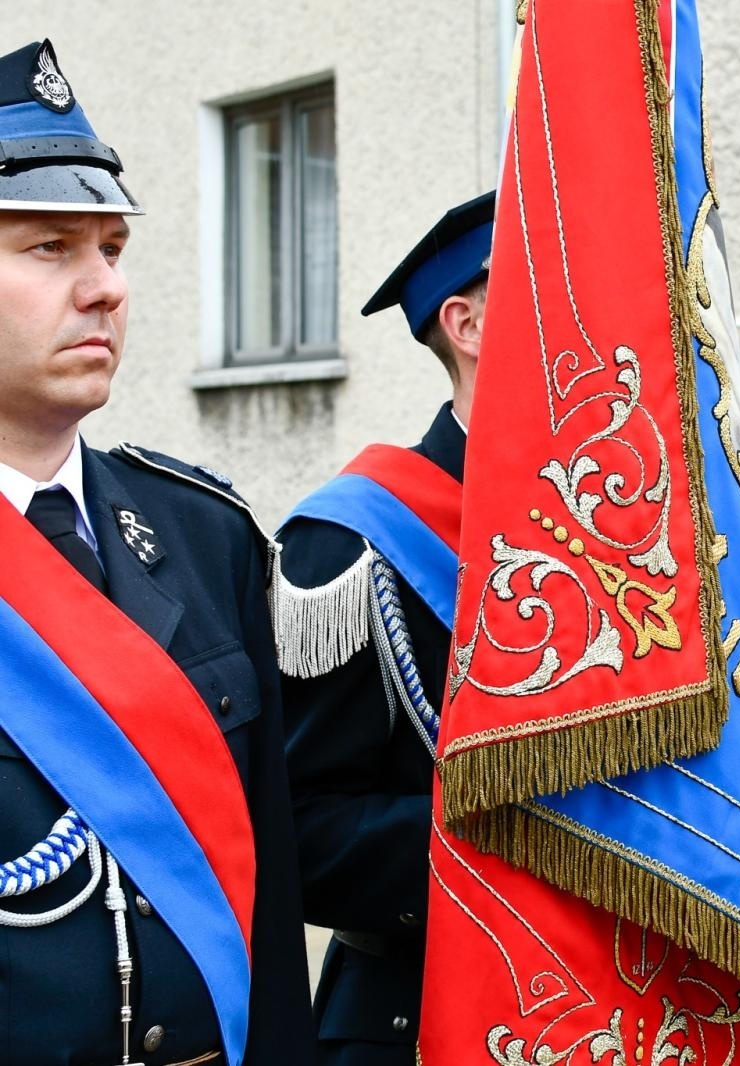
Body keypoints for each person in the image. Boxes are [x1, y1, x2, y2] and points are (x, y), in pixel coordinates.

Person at [0, 38, 313, 1065]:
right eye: (50, 248)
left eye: (113, 249)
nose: (104, 288)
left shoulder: (204, 532)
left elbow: (270, 902)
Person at [274, 190, 492, 1064]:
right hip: (419, 1016)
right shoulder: (355, 544)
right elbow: (301, 831)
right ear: (467, 324)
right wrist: (524, 840)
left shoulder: (630, 539)